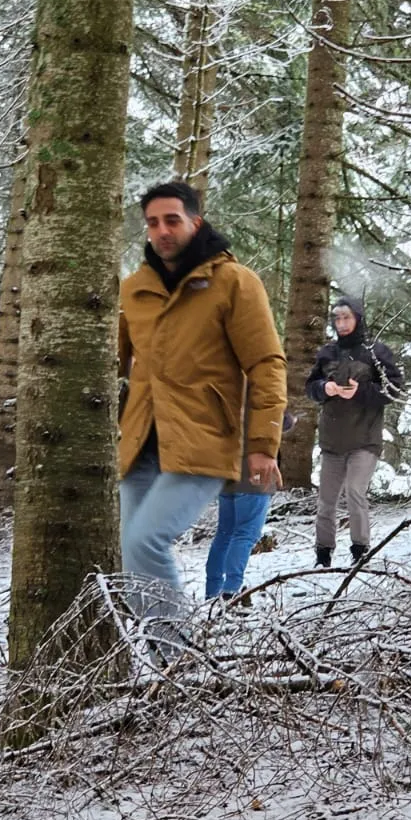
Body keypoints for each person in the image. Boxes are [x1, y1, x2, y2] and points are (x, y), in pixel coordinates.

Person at [118, 181, 287, 622]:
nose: (162, 231)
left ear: (196, 220)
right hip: (141, 442)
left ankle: (177, 664)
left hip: (206, 439)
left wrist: (263, 447)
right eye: (153, 223)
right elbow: (113, 366)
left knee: (144, 542)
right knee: (128, 555)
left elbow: (267, 364)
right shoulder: (135, 289)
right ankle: (165, 661)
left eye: (172, 220)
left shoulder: (234, 282)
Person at [304, 296, 404, 567]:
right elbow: (310, 386)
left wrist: (362, 391)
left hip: (365, 439)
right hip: (331, 439)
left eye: (346, 317)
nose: (341, 323)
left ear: (358, 318)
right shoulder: (327, 353)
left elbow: (394, 389)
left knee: (354, 491)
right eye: (337, 318)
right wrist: (325, 389)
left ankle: (361, 551)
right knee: (326, 501)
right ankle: (323, 554)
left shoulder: (376, 352)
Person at [205, 410, 297, 601]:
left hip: (228, 467)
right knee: (245, 533)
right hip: (255, 471)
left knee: (224, 534)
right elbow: (277, 422)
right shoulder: (260, 393)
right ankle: (231, 591)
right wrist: (289, 418)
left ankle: (212, 591)